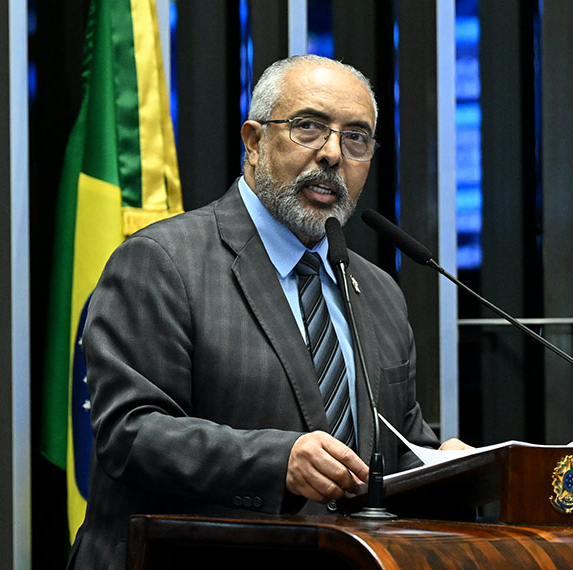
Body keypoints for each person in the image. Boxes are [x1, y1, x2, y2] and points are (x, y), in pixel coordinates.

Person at [67, 54, 467, 570]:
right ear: (253, 141)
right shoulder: (164, 261)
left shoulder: (379, 290)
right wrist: (278, 461)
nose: (331, 154)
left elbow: (395, 444)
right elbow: (131, 432)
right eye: (309, 127)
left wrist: (448, 470)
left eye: (356, 138)